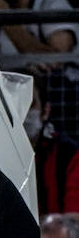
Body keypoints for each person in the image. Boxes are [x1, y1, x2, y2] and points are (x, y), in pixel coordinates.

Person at [27, 80, 79, 216]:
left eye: (30, 103)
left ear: (45, 110)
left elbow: (73, 221)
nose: (21, 111)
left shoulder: (69, 155)